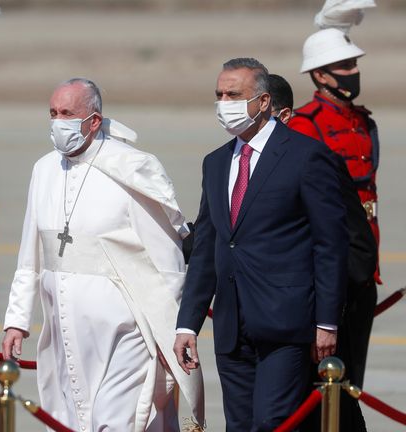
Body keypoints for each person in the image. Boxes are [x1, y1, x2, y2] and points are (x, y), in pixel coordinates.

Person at [2, 78, 204, 431]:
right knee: (70, 417)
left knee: (116, 420)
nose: (57, 122)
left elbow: (167, 258)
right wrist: (17, 319)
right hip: (63, 329)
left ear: (94, 121)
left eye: (67, 113)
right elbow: (29, 255)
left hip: (124, 331)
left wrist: (166, 329)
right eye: (53, 113)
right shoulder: (43, 169)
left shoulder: (132, 168)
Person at [174, 58, 348, 431]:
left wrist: (328, 322)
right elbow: (208, 247)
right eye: (219, 94)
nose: (224, 103)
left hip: (287, 323)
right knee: (239, 425)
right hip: (232, 327)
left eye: (234, 94)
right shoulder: (216, 163)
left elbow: (330, 245)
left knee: (272, 423)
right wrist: (187, 324)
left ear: (264, 101)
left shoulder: (305, 156)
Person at [269, 73, 377, 431]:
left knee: (331, 410)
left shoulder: (314, 162)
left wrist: (332, 308)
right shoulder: (230, 164)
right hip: (258, 320)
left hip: (314, 320)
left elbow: (354, 243)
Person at [288, 25, 380, 390]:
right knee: (324, 379)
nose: (353, 72)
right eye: (343, 66)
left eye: (353, 63)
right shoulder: (305, 124)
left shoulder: (363, 122)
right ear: (320, 74)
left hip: (363, 262)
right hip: (328, 266)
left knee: (352, 376)